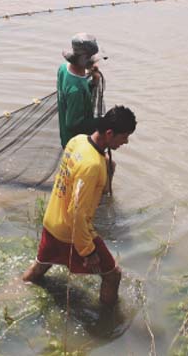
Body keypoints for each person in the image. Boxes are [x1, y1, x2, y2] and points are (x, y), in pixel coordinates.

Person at [22, 105, 137, 305]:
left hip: (52, 221)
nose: (126, 142)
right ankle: (108, 324)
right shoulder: (92, 166)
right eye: (124, 137)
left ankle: (19, 288)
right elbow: (77, 214)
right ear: (109, 133)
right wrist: (88, 251)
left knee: (41, 266)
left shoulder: (78, 141)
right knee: (112, 276)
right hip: (71, 231)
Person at [57, 33, 106, 148]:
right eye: (91, 58)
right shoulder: (76, 90)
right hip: (75, 144)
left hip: (66, 138)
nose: (94, 61)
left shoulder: (63, 68)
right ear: (83, 58)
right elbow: (73, 124)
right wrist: (101, 122)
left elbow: (75, 99)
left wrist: (93, 82)